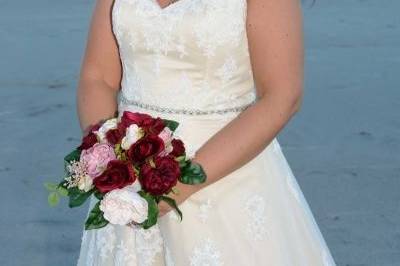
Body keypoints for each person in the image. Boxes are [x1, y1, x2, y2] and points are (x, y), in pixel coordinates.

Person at [76, 0, 337, 265]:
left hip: (227, 178)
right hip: (129, 185)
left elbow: (283, 96)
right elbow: (98, 77)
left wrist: (183, 185)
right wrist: (106, 154)